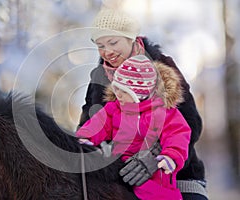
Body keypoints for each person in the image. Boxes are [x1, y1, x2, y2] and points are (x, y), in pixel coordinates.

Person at [78, 8, 208, 200]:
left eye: (113, 42)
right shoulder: (99, 77)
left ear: (132, 38)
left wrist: (155, 156)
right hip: (120, 174)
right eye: (100, 45)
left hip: (175, 175)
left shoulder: (162, 65)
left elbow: (190, 124)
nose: (108, 51)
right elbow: (89, 124)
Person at [77, 55, 191, 200]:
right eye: (116, 89)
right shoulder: (114, 109)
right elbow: (98, 124)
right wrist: (85, 138)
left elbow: (177, 133)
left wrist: (171, 156)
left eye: (123, 91)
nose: (117, 94)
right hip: (120, 165)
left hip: (155, 170)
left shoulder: (162, 112)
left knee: (156, 193)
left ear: (139, 93)